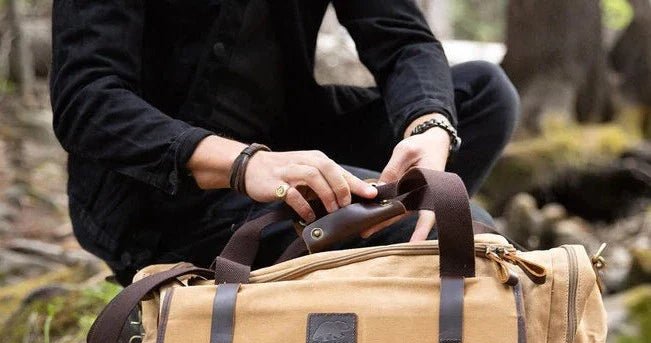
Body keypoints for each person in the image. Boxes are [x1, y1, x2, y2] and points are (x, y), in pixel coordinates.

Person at [50, 1, 519, 285]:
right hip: (158, 197)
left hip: (283, 137)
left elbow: (402, 42)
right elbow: (85, 98)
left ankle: (359, 283)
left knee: (482, 95)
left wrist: (428, 125)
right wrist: (244, 164)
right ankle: (220, 288)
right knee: (452, 231)